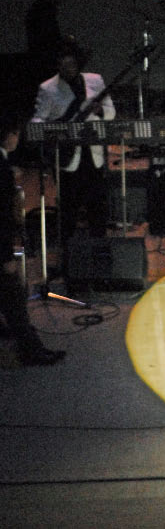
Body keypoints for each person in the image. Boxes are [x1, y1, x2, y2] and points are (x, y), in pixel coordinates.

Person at [31, 39, 115, 275]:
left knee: (98, 211)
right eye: (64, 64)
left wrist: (100, 110)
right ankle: (69, 264)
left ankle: (101, 264)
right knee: (68, 213)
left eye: (72, 64)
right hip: (68, 158)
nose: (69, 68)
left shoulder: (95, 80)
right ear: (58, 65)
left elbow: (111, 112)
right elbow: (38, 120)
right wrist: (57, 128)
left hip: (94, 155)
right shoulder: (48, 88)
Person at [0, 113, 66, 366]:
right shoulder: (2, 169)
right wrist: (6, 255)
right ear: (9, 136)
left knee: (12, 298)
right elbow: (3, 217)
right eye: (16, 134)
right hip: (1, 249)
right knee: (14, 299)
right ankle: (32, 351)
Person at [25, 0, 66, 83]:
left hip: (40, 63)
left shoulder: (38, 10)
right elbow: (48, 41)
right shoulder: (44, 12)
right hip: (45, 65)